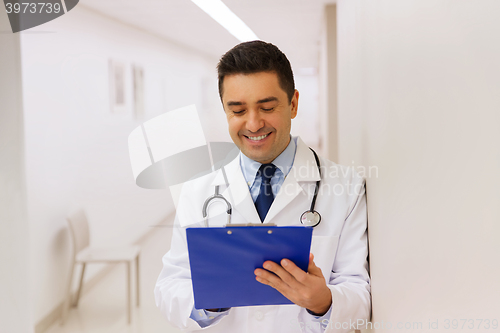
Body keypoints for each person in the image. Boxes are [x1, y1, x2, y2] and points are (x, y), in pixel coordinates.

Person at [154, 41, 370, 333]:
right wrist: (207, 302)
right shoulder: (198, 192)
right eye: (238, 111)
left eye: (267, 107)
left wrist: (324, 302)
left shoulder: (346, 187)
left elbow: (359, 292)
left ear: (293, 104)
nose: (254, 124)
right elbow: (170, 286)